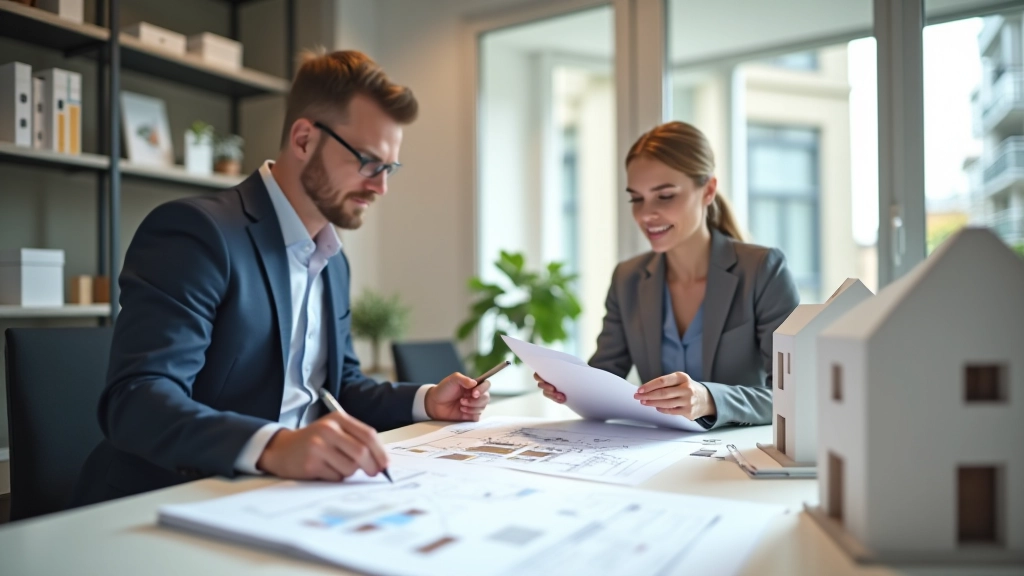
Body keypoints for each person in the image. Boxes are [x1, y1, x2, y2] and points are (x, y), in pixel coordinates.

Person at [74, 50, 491, 504]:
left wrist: (427, 401)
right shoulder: (197, 233)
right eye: (368, 162)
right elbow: (138, 400)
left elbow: (341, 387)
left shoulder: (333, 258)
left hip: (287, 495)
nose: (380, 187)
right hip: (174, 497)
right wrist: (274, 446)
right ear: (304, 139)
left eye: (388, 168)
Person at [536, 121, 799, 429]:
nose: (646, 214)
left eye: (665, 196)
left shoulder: (763, 271)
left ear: (708, 190)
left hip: (736, 458)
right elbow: (604, 380)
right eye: (637, 198)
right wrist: (571, 388)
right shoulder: (628, 279)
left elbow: (795, 395)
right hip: (657, 456)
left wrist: (710, 399)